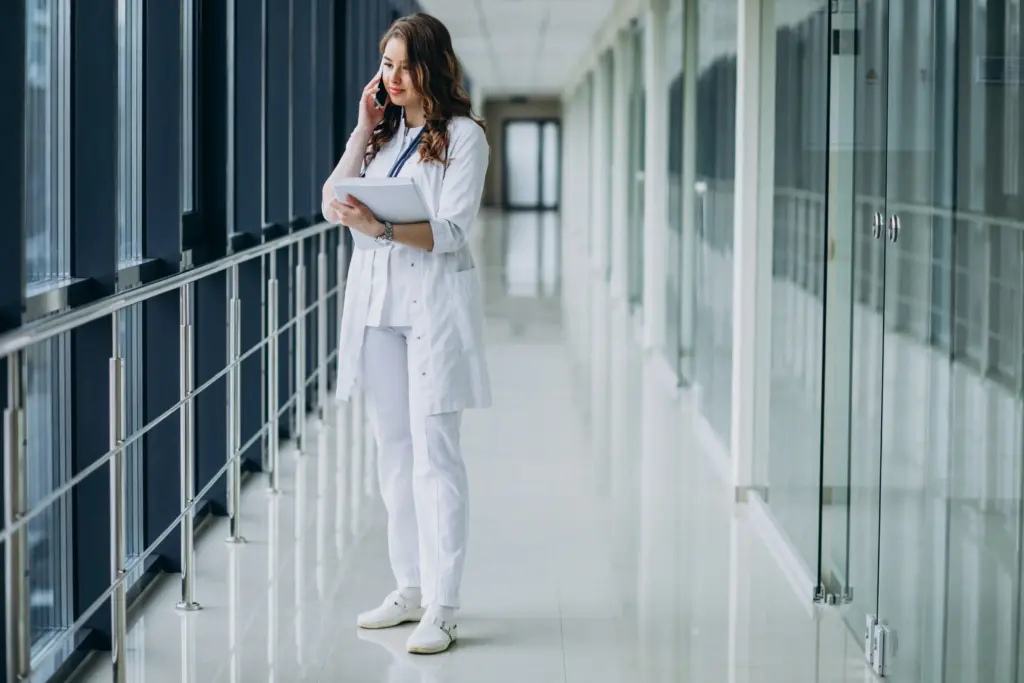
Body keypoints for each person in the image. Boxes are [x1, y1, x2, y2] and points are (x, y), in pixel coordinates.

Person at [321, 12, 490, 655]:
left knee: (435, 456)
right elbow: (332, 199)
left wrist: (382, 229)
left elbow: (450, 232)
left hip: (431, 314)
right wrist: (364, 127)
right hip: (378, 315)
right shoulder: (384, 138)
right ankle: (410, 587)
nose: (389, 78)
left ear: (431, 66)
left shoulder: (464, 138)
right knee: (393, 452)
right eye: (384, 64)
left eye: (401, 65)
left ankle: (444, 605)